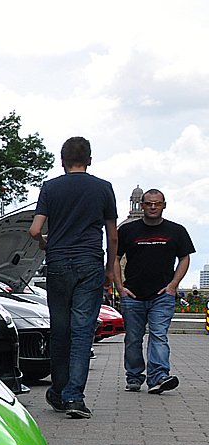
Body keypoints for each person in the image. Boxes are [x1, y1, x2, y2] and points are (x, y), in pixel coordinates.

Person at [27, 136, 119, 420]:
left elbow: (34, 230)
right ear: (89, 160)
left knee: (60, 330)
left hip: (58, 262)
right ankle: (74, 397)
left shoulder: (50, 188)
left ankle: (58, 390)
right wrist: (109, 268)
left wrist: (45, 243)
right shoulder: (103, 188)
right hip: (90, 262)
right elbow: (113, 236)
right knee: (82, 331)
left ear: (62, 160)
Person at [118, 188, 194, 394]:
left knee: (159, 335)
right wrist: (120, 287)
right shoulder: (127, 229)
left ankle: (158, 377)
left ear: (164, 205)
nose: (153, 207)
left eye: (157, 203)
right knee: (133, 338)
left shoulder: (176, 230)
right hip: (132, 294)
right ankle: (134, 376)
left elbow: (185, 258)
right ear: (141, 204)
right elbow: (114, 258)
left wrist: (173, 285)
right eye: (148, 203)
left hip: (162, 295)